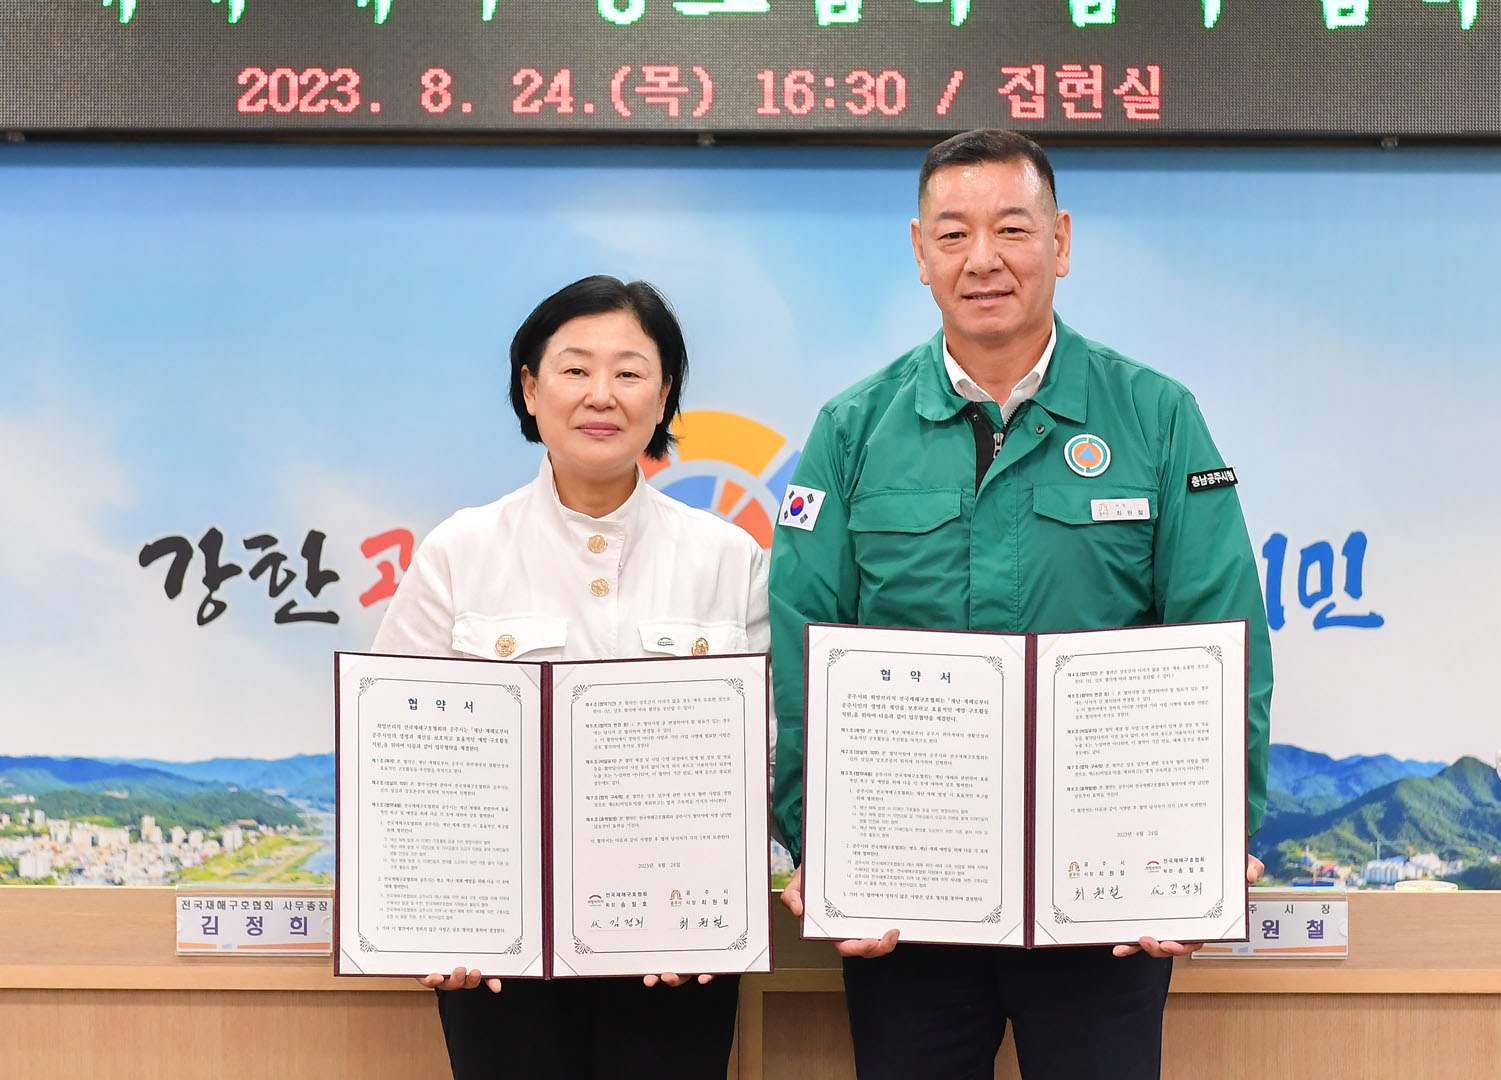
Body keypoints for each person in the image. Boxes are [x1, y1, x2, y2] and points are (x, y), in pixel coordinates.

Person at [768, 129, 1273, 1080]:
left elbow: (1223, 637)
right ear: (920, 252)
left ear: (1061, 241)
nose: (983, 259)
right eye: (953, 234)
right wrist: (816, 845)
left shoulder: (1156, 416)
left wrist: (1213, 842)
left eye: (1012, 228)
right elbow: (801, 647)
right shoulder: (852, 429)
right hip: (906, 896)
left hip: (1106, 895)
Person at [371, 274, 768, 1079]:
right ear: (530, 387)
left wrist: (719, 902)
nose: (601, 395)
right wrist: (432, 918)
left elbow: (767, 750)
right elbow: (394, 752)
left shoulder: (728, 558)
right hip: (499, 955)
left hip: (676, 950)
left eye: (629, 372)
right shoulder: (459, 551)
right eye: (575, 369)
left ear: (664, 395)